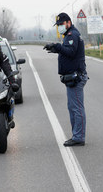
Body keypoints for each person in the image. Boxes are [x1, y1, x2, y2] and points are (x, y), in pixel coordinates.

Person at [44, 12, 88, 146]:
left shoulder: (72, 35)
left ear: (68, 22)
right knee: (73, 107)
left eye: (61, 24)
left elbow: (70, 52)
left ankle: (78, 137)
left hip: (76, 77)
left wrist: (57, 47)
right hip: (72, 77)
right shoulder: (69, 35)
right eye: (58, 25)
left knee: (77, 108)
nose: (60, 27)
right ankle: (77, 135)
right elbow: (68, 51)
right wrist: (55, 48)